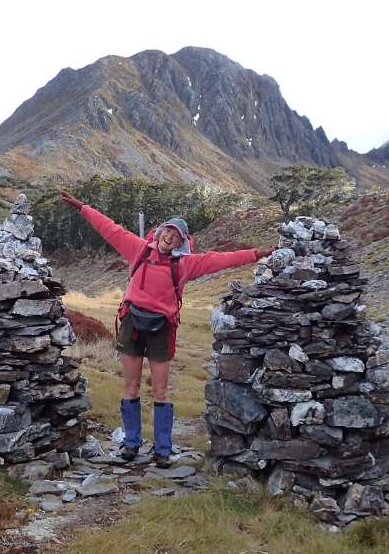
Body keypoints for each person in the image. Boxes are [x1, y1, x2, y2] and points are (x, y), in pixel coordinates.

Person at [60, 191, 273, 468]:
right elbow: (110, 228)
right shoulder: (138, 250)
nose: (170, 237)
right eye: (168, 231)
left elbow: (223, 259)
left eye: (176, 236)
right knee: (131, 386)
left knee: (160, 390)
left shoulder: (186, 264)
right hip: (132, 324)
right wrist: (83, 207)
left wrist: (257, 254)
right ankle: (132, 444)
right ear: (160, 232)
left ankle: (162, 449)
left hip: (162, 329)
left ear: (182, 242)